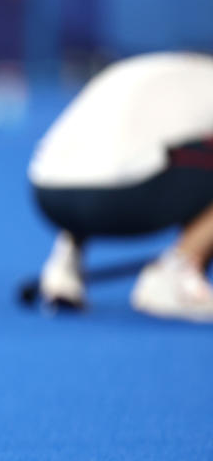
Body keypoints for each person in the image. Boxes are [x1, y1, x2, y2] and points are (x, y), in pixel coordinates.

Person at [30, 51, 213, 323]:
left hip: (47, 193)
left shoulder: (158, 67)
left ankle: (65, 264)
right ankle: (179, 268)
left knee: (119, 148)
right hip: (117, 198)